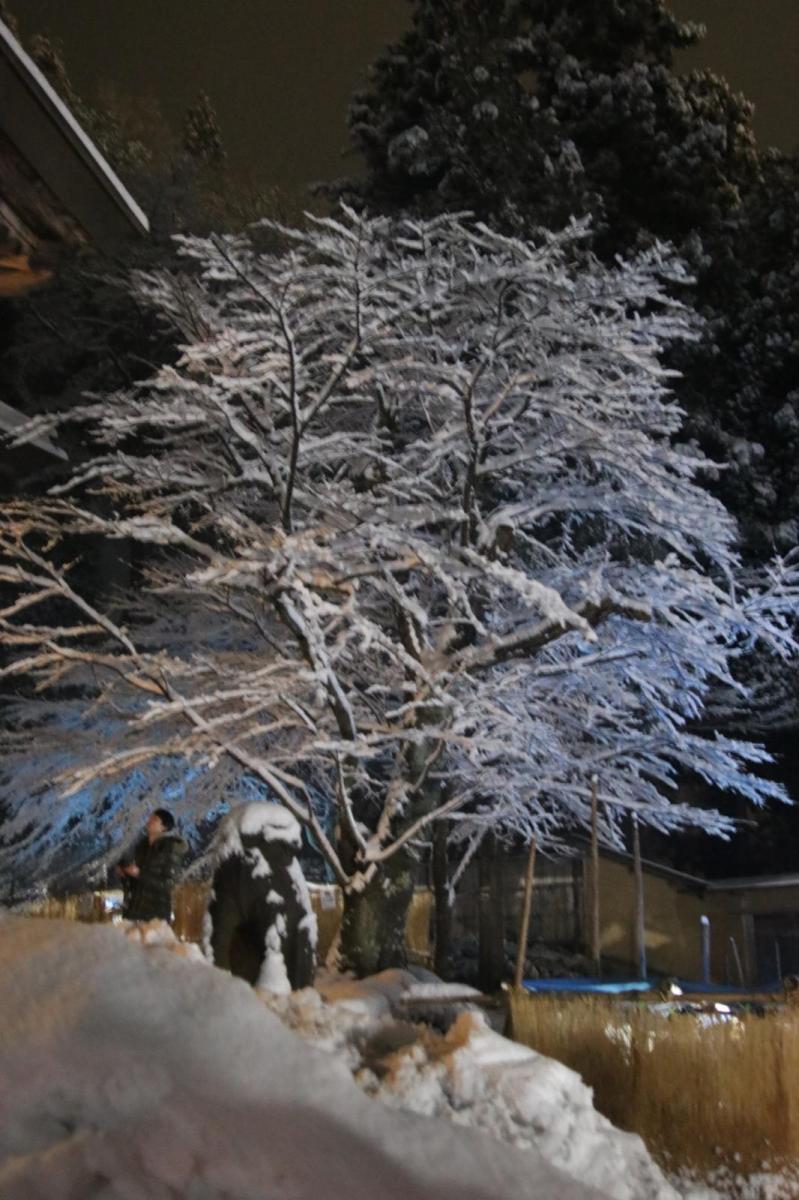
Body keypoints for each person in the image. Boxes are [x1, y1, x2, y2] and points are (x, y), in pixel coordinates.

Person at [204, 802, 317, 992]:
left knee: (220, 943)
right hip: (257, 868)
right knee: (277, 943)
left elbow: (218, 941)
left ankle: (219, 993)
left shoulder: (232, 865)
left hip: (239, 861)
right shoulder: (289, 875)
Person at [118, 808, 187, 923]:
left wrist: (140, 874)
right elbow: (137, 881)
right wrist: (125, 874)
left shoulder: (170, 848)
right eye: (150, 818)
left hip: (155, 914)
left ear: (164, 827)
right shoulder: (142, 847)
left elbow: (169, 883)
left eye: (154, 819)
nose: (149, 821)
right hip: (134, 911)